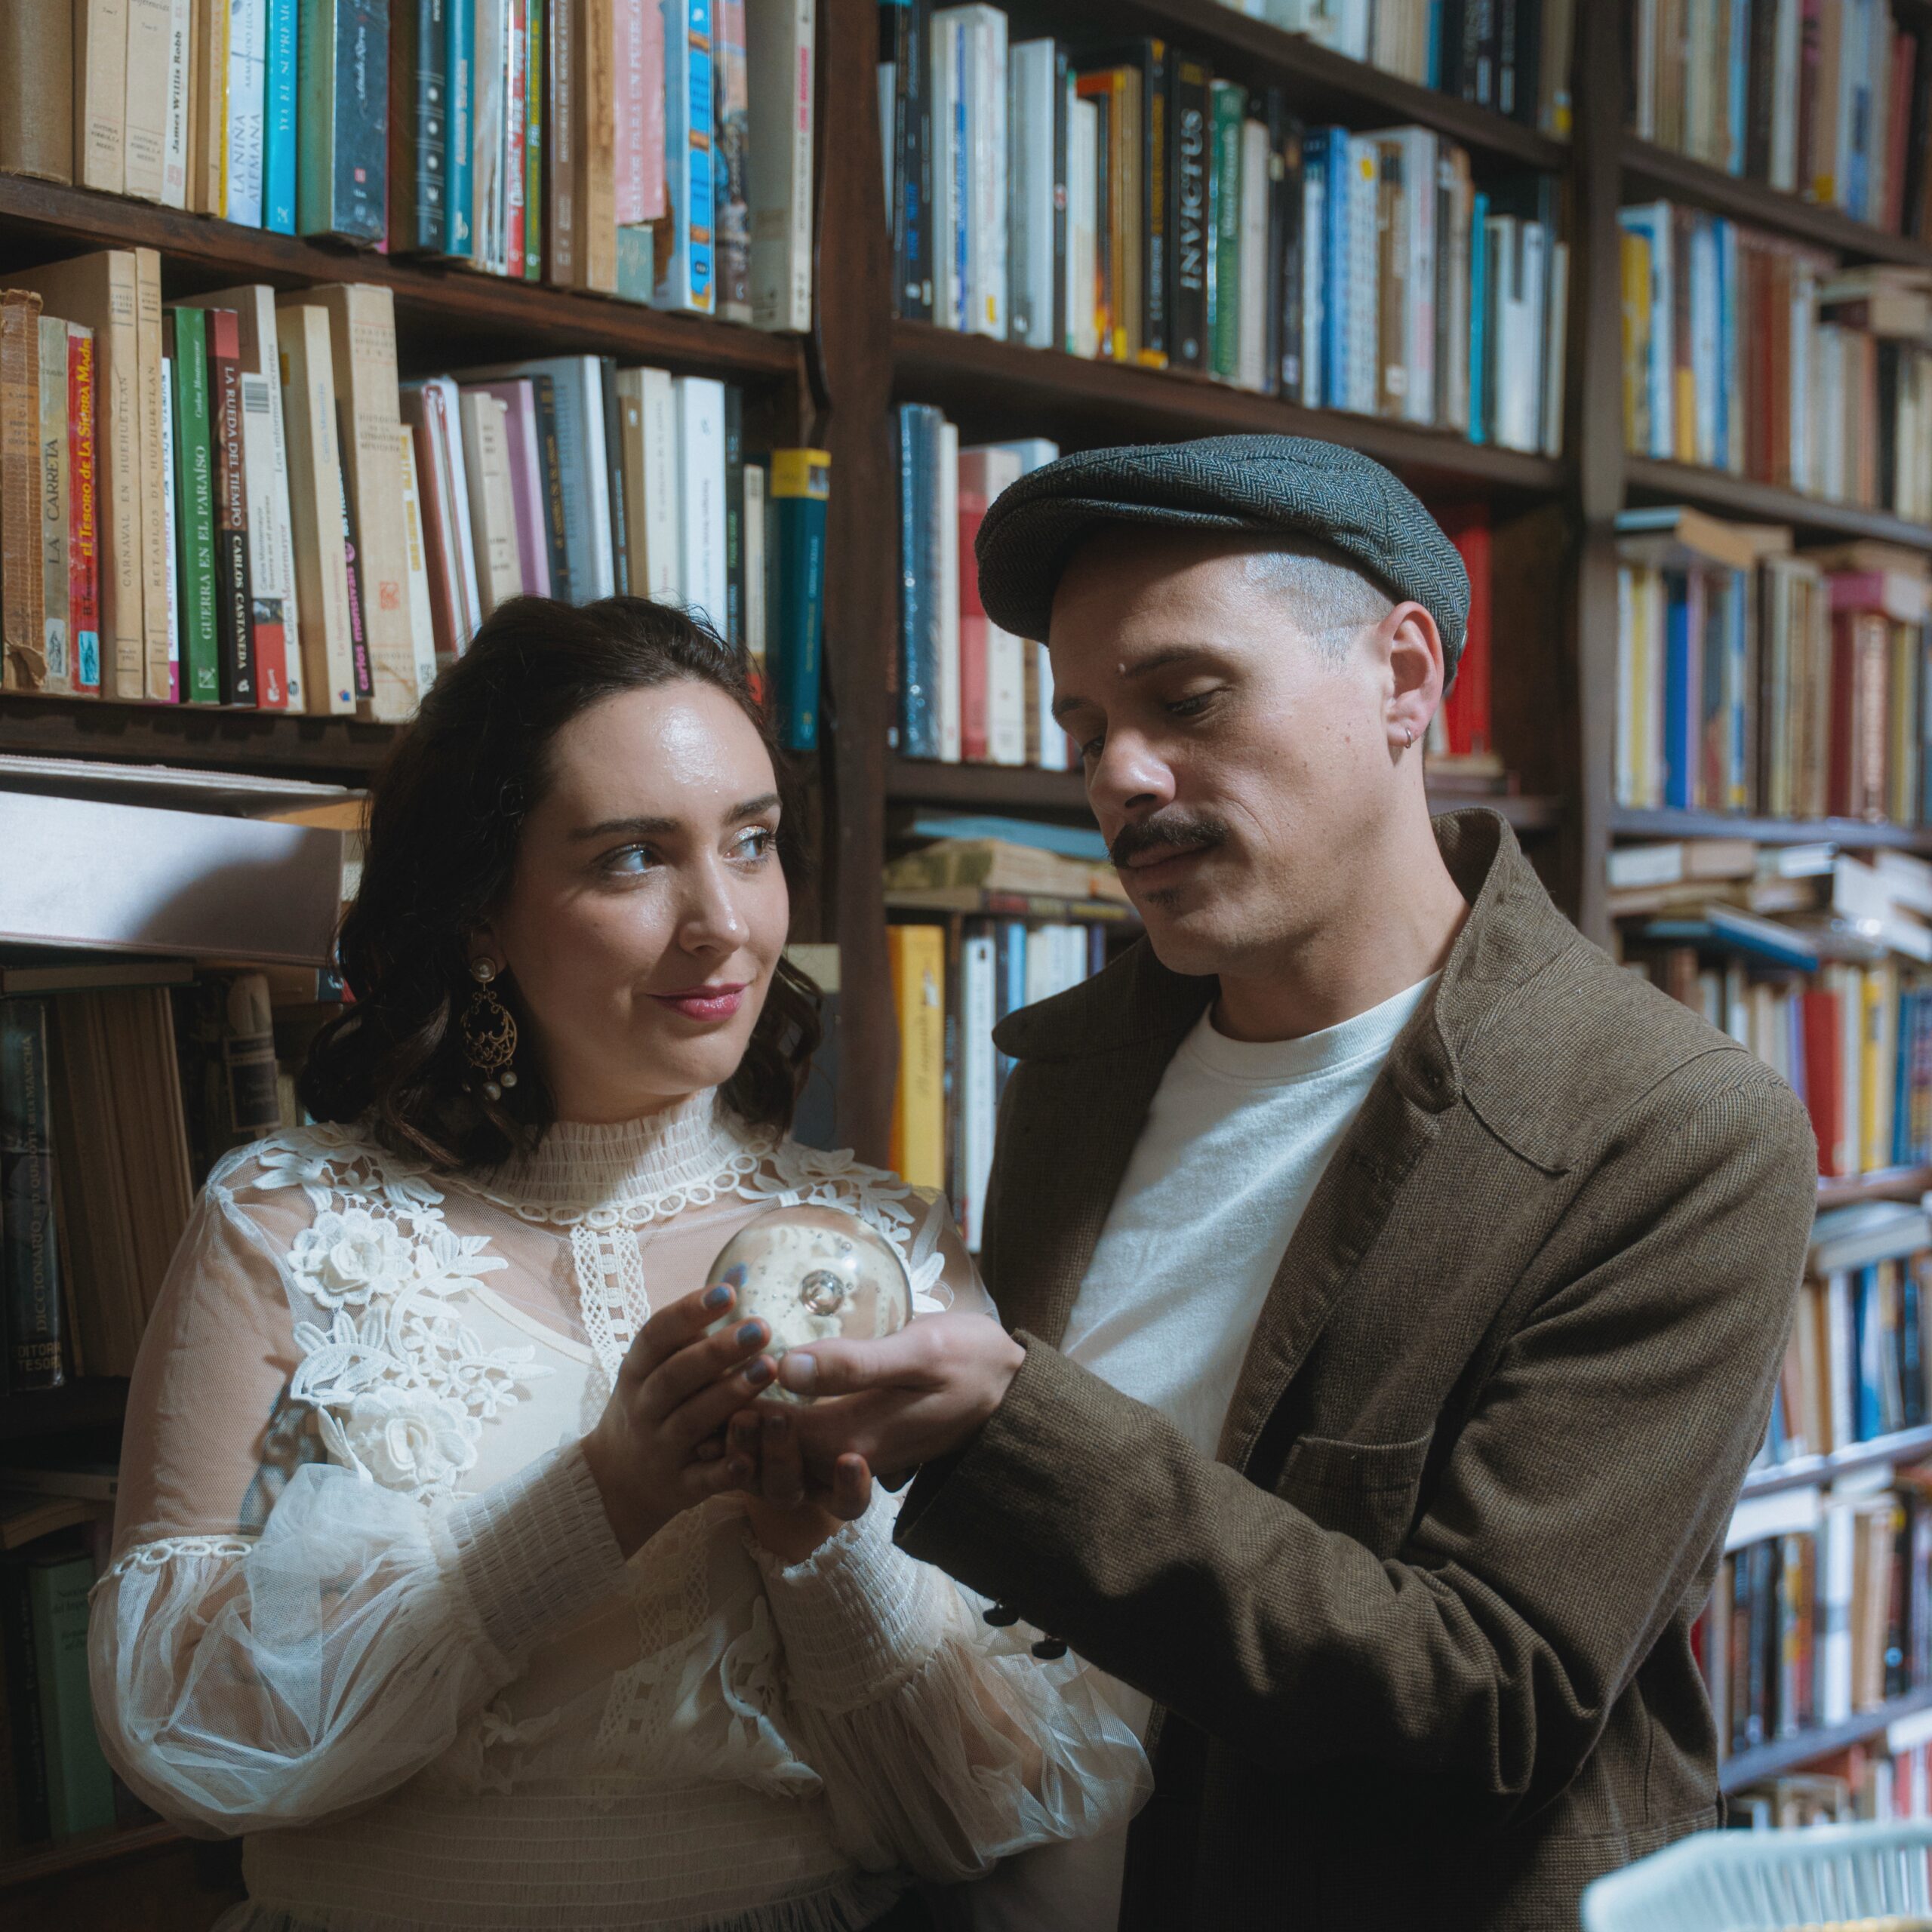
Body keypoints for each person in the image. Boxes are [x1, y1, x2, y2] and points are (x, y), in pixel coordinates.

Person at [769, 435, 1820, 1932]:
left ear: (1405, 677)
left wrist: (1006, 1432)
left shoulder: (1670, 1132)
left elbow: (1491, 1698)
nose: (1120, 776)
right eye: (1085, 729)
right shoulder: (1071, 1068)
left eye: (1188, 700)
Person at [88, 596, 1147, 1932]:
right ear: (483, 912)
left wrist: (816, 1545)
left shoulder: (892, 1246)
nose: (723, 923)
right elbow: (182, 1742)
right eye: (634, 858)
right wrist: (598, 1500)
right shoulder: (288, 1222)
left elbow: (972, 1819)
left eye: (751, 843)